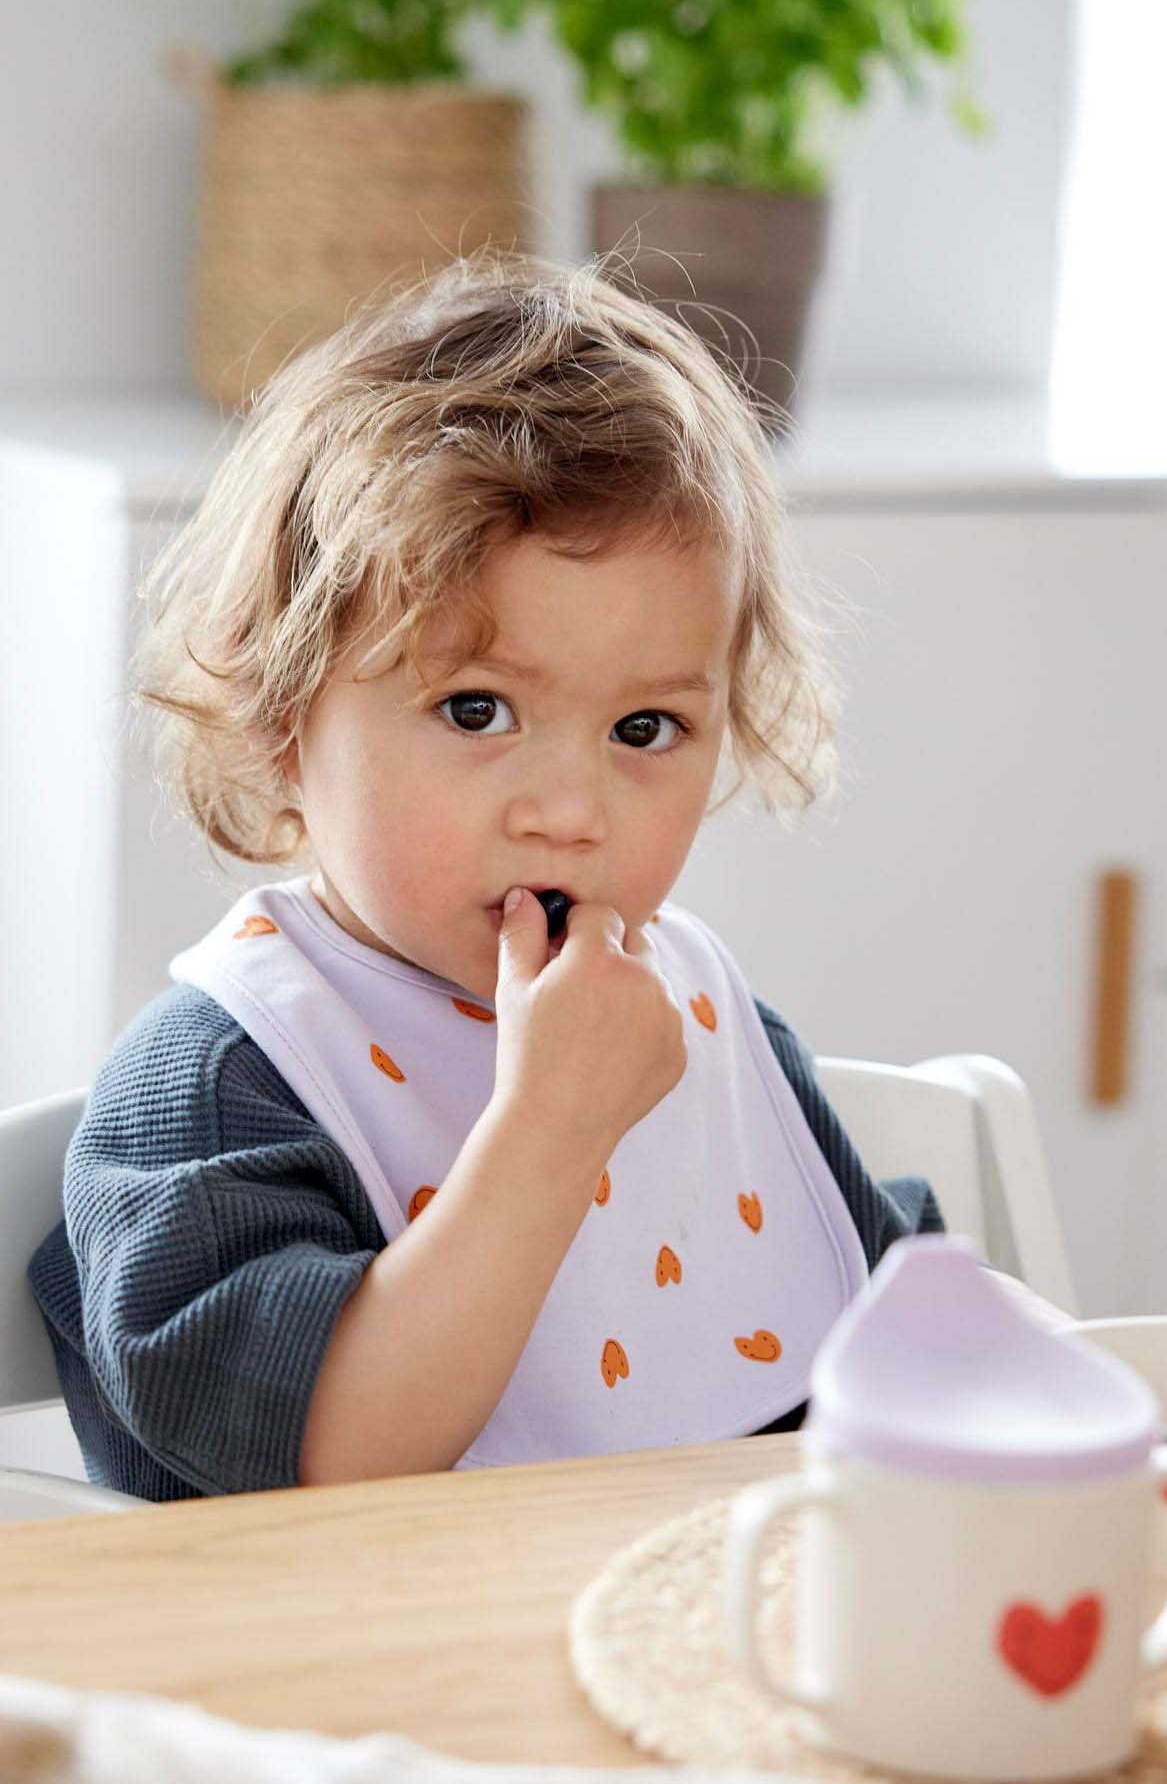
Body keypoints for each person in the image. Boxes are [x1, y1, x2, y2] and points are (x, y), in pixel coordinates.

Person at [28, 248, 944, 1501]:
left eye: (644, 731)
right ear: (279, 719)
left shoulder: (702, 1025)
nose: (570, 814)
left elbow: (898, 1349)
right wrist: (550, 1130)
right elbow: (335, 1459)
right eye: (475, 708)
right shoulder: (220, 1089)